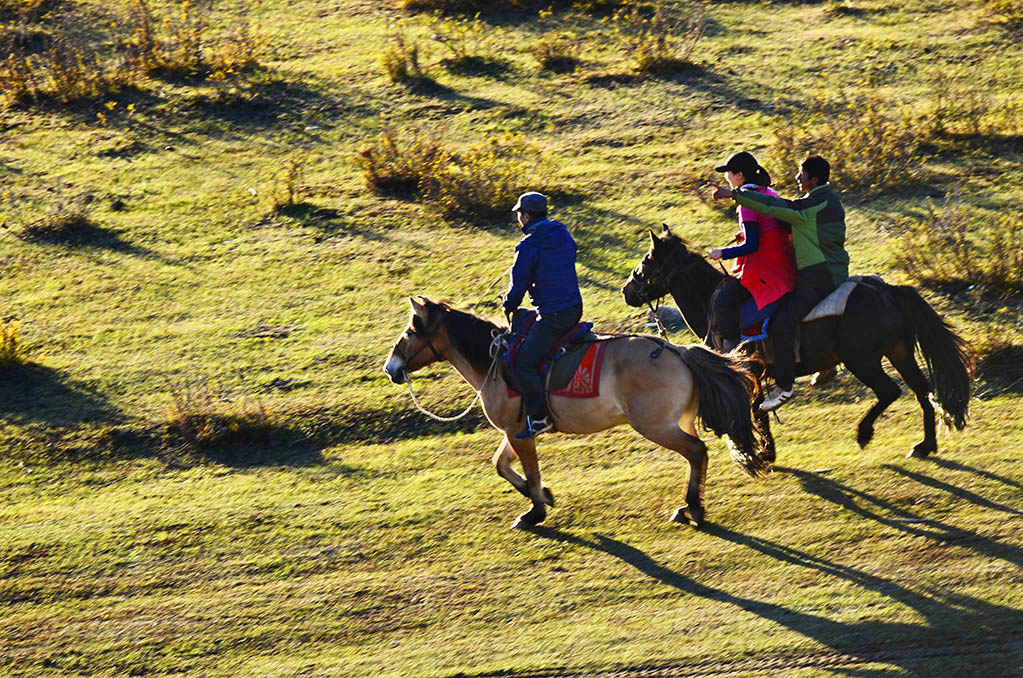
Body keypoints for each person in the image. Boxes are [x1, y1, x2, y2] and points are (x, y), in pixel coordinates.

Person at [712, 155, 849, 411]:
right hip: (823, 271)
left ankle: (784, 386)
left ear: (814, 179)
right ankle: (827, 363)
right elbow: (782, 219)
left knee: (782, 322)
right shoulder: (822, 200)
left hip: (819, 277)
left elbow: (781, 210)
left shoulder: (814, 204)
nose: (797, 178)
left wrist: (735, 195)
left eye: (801, 174)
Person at [502, 191, 583, 439]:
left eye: (519, 215)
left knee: (524, 363)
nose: (518, 219)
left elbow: (519, 287)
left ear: (526, 216)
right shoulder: (562, 233)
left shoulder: (528, 246)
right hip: (574, 307)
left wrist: (508, 303)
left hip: (553, 315)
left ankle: (538, 418)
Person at [706, 151, 796, 353]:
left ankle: (733, 352)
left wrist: (722, 253)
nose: (726, 178)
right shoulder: (768, 193)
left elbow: (753, 245)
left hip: (766, 268)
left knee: (723, 301)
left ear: (739, 176)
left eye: (728, 173)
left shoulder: (746, 205)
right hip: (784, 263)